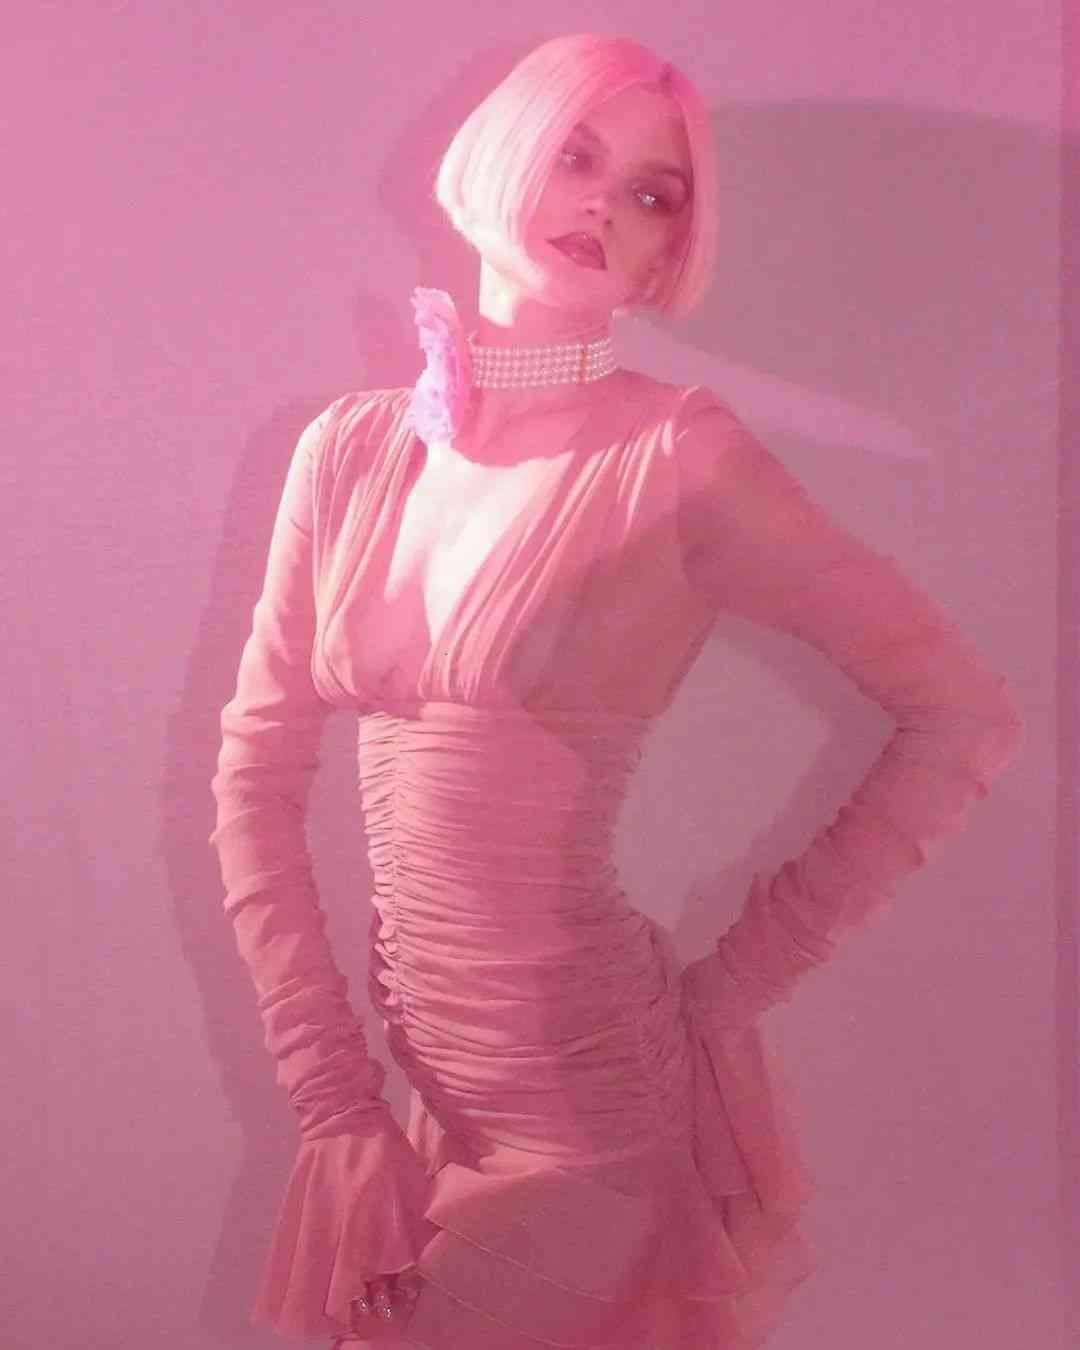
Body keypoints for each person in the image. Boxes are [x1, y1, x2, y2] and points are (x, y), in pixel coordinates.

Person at [209, 32, 1023, 1350]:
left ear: (664, 256)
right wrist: (334, 1103)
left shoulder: (678, 456)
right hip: (427, 1100)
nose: (602, 204)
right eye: (576, 154)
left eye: (651, 193)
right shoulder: (350, 449)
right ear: (496, 154)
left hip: (589, 1109)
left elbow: (964, 714)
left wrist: (737, 984)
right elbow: (255, 776)